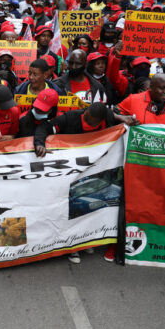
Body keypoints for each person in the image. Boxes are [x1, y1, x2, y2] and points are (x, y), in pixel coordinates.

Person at [34, 102, 138, 264]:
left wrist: (127, 121)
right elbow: (43, 129)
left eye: (90, 122)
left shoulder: (108, 119)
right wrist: (39, 143)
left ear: (100, 121)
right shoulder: (70, 118)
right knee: (71, 207)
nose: (86, 122)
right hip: (71, 172)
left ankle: (85, 240)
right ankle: (71, 247)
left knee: (93, 206)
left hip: (96, 171)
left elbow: (117, 120)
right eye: (86, 118)